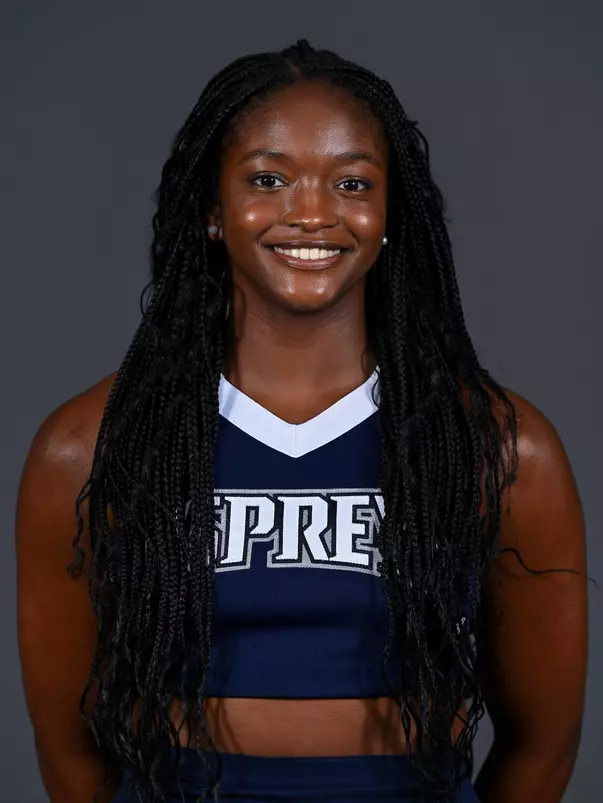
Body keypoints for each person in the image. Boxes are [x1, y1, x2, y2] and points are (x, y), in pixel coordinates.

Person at [16, 40, 587, 803]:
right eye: (267, 178)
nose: (312, 212)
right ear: (213, 211)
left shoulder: (498, 448)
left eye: (352, 181)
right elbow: (70, 752)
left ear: (390, 216)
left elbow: (542, 747)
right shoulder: (92, 446)